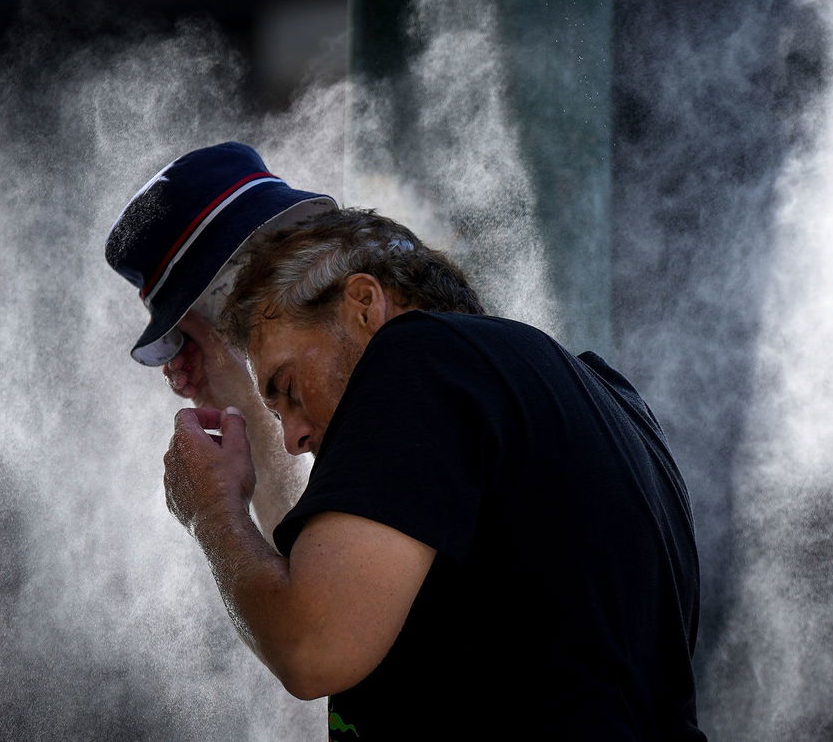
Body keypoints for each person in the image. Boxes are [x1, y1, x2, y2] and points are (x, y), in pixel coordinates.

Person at [107, 144, 707, 740]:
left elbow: (311, 640)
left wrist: (213, 511)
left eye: (289, 388)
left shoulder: (415, 358)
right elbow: (334, 575)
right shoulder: (601, 398)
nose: (292, 438)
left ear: (363, 304)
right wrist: (243, 397)